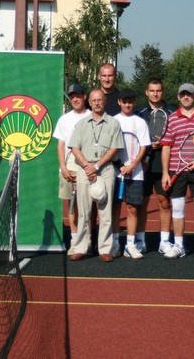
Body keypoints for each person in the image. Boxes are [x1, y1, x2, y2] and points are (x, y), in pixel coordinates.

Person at [68, 89, 124, 262]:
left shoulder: (114, 123)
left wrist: (97, 165)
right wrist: (87, 165)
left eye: (100, 100)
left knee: (105, 211)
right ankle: (81, 247)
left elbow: (115, 148)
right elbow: (74, 147)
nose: (97, 103)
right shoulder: (82, 124)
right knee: (84, 211)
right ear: (89, 102)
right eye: (94, 100)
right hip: (84, 169)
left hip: (105, 169)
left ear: (105, 102)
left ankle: (105, 249)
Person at [160, 83, 194, 259]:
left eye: (189, 94)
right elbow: (166, 147)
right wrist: (165, 173)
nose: (186, 97)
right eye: (183, 94)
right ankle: (178, 245)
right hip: (176, 170)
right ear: (179, 97)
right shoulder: (171, 118)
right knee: (178, 208)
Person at [136, 78, 175, 254]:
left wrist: (163, 144)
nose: (155, 93)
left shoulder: (172, 112)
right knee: (141, 204)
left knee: (164, 202)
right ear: (146, 92)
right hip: (143, 166)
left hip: (164, 166)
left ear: (162, 92)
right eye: (152, 90)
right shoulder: (139, 113)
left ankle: (165, 241)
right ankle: (140, 239)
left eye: (158, 90)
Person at [113, 89, 151, 259]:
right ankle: (114, 243)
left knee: (132, 209)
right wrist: (120, 165)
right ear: (119, 102)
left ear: (134, 103)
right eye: (124, 101)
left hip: (136, 173)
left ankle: (130, 245)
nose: (127, 104)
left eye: (130, 101)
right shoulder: (113, 121)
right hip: (114, 172)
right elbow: (110, 148)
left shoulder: (140, 122)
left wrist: (132, 165)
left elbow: (144, 147)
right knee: (114, 209)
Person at [53, 83, 90, 251]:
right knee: (71, 207)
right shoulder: (64, 119)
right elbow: (60, 145)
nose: (75, 98)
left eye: (78, 95)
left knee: (86, 207)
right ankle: (74, 240)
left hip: (87, 168)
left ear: (85, 97)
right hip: (68, 167)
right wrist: (63, 167)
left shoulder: (92, 116)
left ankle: (87, 240)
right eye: (72, 96)